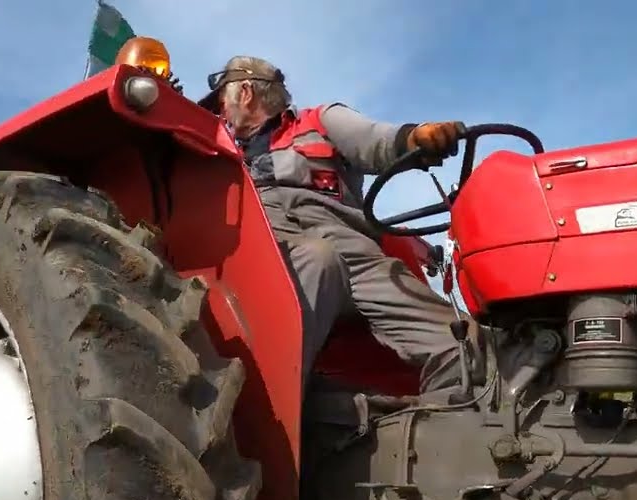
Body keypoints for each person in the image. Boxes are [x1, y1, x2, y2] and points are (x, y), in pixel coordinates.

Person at [197, 55, 477, 397]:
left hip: (356, 259)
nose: (220, 113)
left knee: (464, 345)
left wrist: (416, 138)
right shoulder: (220, 159)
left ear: (244, 93)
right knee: (318, 259)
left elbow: (376, 140)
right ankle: (262, 415)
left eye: (222, 102)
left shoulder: (319, 122)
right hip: (271, 256)